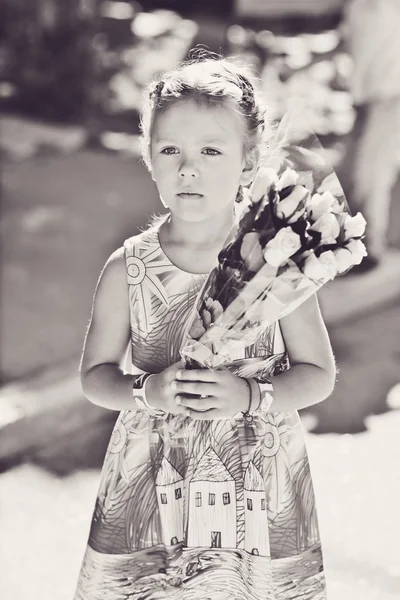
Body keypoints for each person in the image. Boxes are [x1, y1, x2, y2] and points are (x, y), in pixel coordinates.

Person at [74, 55, 336, 599]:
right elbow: (96, 376)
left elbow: (318, 374)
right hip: (150, 477)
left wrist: (251, 395)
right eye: (170, 150)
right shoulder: (130, 267)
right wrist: (147, 391)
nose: (187, 168)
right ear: (148, 157)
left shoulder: (277, 263)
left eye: (211, 151)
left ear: (248, 161)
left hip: (257, 476)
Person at [342, 0, 400, 270]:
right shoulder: (357, 6)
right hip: (369, 96)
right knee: (363, 171)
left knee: (372, 172)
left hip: (389, 94)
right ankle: (363, 245)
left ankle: (369, 249)